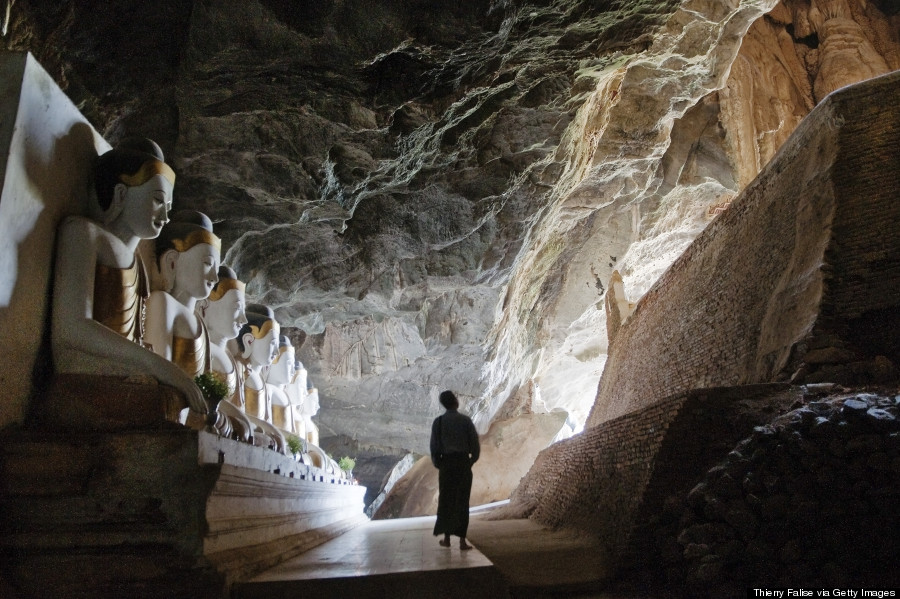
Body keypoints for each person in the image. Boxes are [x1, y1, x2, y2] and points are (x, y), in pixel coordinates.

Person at [51, 138, 207, 418]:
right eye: (158, 200)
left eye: (168, 204)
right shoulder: (83, 233)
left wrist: (152, 368)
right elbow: (70, 329)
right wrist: (158, 367)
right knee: (163, 401)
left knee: (170, 399)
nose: (166, 215)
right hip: (79, 370)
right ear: (121, 194)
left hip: (120, 373)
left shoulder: (139, 265)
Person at [430, 390, 480, 550]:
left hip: (447, 464)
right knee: (462, 501)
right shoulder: (465, 421)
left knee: (446, 501)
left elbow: (434, 447)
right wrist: (470, 461)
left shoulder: (438, 422)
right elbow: (475, 445)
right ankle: (462, 541)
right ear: (455, 402)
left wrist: (440, 464)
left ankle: (447, 538)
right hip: (463, 463)